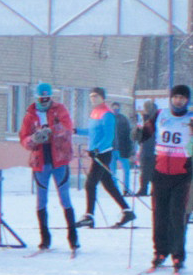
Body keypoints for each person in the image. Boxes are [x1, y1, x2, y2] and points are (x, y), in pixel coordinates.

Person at [135, 86, 191, 272]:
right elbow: (147, 132)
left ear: (187, 100)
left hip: (182, 175)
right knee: (159, 215)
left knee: (177, 216)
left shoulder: (190, 119)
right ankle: (160, 251)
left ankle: (177, 255)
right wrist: (139, 134)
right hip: (160, 173)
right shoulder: (160, 115)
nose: (178, 101)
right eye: (175, 97)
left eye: (182, 98)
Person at [19, 82, 80, 253]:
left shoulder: (59, 110)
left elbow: (68, 128)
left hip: (59, 160)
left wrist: (52, 131)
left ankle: (73, 238)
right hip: (40, 161)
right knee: (41, 200)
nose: (44, 101)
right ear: (37, 98)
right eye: (41, 98)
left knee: (65, 198)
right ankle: (44, 238)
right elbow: (23, 137)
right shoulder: (30, 115)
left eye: (47, 98)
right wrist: (33, 139)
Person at [78, 88, 134, 228]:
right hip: (96, 153)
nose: (93, 98)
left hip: (103, 154)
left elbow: (108, 136)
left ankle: (89, 215)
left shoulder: (107, 114)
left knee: (90, 184)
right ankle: (127, 211)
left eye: (96, 96)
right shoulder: (94, 112)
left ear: (102, 98)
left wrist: (97, 149)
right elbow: (91, 132)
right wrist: (76, 130)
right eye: (91, 96)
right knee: (108, 184)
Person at [136, 99, 159, 197]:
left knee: (150, 170)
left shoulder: (153, 119)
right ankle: (146, 189)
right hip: (147, 148)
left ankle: (147, 189)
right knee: (146, 170)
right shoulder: (144, 119)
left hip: (152, 148)